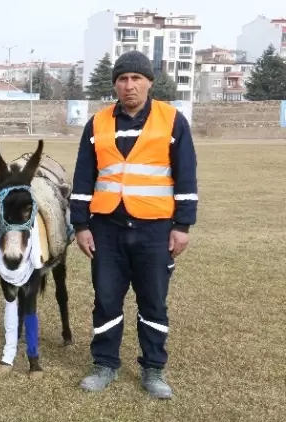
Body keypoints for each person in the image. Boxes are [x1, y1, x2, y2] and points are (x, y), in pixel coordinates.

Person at [69, 50, 198, 399]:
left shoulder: (172, 121)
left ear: (149, 82)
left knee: (153, 301)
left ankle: (153, 369)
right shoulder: (97, 124)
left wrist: (182, 225)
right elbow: (84, 176)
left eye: (136, 79)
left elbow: (186, 175)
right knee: (107, 299)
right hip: (106, 228)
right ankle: (105, 363)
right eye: (123, 79)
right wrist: (80, 225)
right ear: (115, 84)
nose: (129, 86)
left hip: (155, 228)